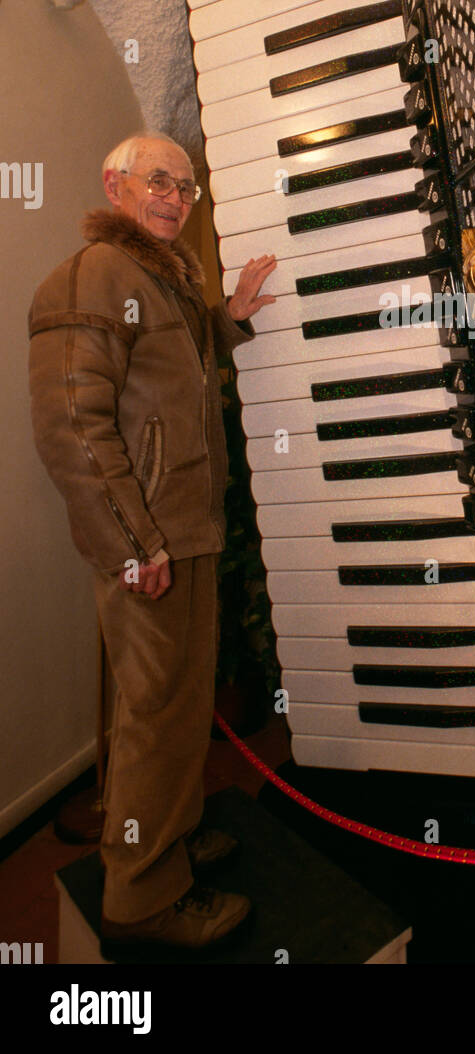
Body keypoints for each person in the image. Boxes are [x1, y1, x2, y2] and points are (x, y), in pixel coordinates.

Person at [27, 132, 277, 953]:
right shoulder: (95, 275)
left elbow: (171, 372)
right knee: (154, 719)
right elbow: (73, 426)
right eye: (159, 180)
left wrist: (228, 320)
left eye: (187, 186)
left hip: (184, 534)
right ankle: (142, 899)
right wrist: (135, 544)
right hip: (149, 546)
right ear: (115, 184)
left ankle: (166, 835)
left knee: (174, 712)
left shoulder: (154, 280)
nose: (176, 195)